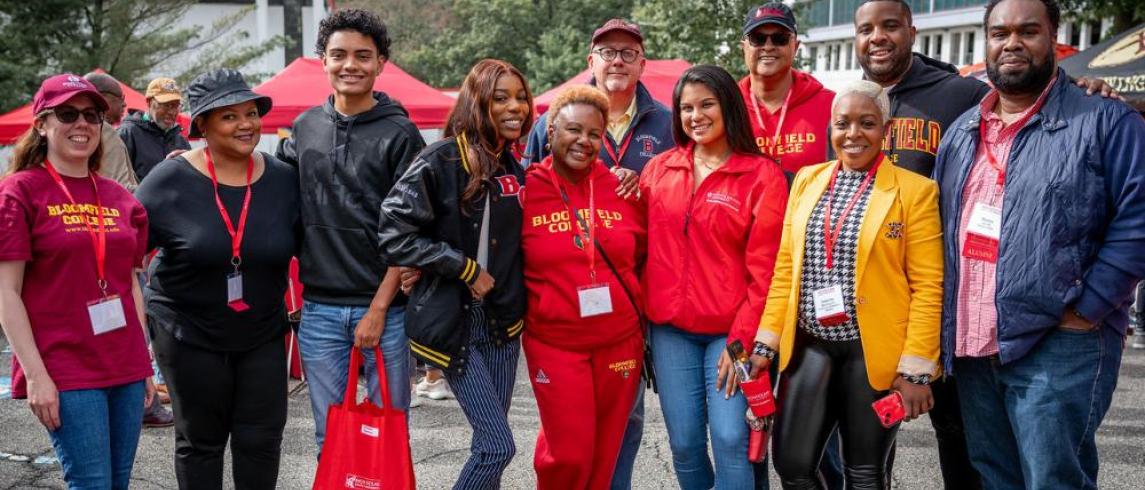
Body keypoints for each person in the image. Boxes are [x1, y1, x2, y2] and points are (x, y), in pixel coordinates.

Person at [933, 0, 1145, 487]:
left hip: (1059, 340)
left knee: (1053, 479)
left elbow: (1137, 221)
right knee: (994, 477)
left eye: (1028, 31)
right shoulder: (962, 133)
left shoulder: (1105, 121)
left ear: (1054, 38)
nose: (1011, 43)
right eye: (999, 32)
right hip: (973, 345)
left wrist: (1088, 308)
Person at [752, 80, 943, 488]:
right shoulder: (807, 179)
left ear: (886, 130)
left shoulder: (916, 192)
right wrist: (766, 342)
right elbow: (786, 266)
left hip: (873, 352)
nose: (853, 134)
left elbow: (928, 286)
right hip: (811, 343)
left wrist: (916, 371)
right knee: (792, 464)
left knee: (864, 471)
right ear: (831, 129)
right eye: (843, 124)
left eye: (867, 123)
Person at [521, 19, 673, 489]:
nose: (583, 142)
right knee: (567, 451)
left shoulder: (626, 182)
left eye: (593, 134)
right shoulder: (529, 189)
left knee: (611, 445)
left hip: (621, 334)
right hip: (556, 338)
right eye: (572, 131)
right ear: (550, 133)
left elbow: (650, 245)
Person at [136, 69, 299, 489]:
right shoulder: (169, 180)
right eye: (229, 117)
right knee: (201, 442)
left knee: (261, 439)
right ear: (203, 126)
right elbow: (124, 255)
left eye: (250, 113)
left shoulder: (283, 179)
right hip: (188, 332)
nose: (245, 125)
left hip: (261, 330)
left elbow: (312, 244)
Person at [275, 8, 424, 454]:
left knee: (388, 435)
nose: (350, 65)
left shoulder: (401, 134)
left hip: (388, 309)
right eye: (339, 55)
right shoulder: (304, 127)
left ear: (381, 63)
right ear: (323, 60)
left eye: (363, 55)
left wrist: (378, 309)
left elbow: (411, 228)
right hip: (319, 309)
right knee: (330, 437)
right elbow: (270, 186)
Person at [379, 59, 532, 489]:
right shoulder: (439, 158)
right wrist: (463, 268)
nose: (515, 106)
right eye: (501, 97)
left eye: (520, 97)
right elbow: (393, 235)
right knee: (498, 446)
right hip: (452, 321)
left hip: (503, 323)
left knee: (489, 448)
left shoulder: (511, 165)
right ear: (476, 101)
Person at [0, 74, 155, 489]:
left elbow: (129, 283)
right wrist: (35, 375)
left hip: (124, 363)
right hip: (65, 366)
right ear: (41, 124)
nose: (81, 124)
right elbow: (6, 292)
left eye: (91, 115)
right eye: (67, 114)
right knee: (91, 483)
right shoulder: (19, 193)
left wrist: (144, 362)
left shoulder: (120, 198)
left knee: (117, 484)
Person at [639, 64, 787, 490]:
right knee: (684, 443)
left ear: (729, 107)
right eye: (686, 108)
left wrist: (741, 340)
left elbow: (767, 272)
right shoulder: (660, 169)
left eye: (706, 104)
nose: (695, 115)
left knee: (730, 436)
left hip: (731, 334)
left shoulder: (761, 175)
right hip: (670, 331)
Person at [523, 18, 673, 173]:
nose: (617, 61)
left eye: (628, 53)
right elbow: (526, 187)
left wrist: (642, 187)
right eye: (607, 52)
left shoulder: (669, 124)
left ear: (641, 66)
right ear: (591, 63)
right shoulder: (550, 123)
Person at [738, 3, 834, 175]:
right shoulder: (727, 106)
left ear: (795, 47)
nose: (768, 46)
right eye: (757, 38)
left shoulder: (832, 105)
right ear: (744, 47)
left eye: (780, 38)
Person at [118, 77, 191, 182]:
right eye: (166, 105)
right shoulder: (127, 133)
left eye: (175, 106)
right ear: (148, 102)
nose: (172, 112)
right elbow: (118, 182)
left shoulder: (181, 140)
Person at [83, 72, 138, 191]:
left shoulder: (75, 131)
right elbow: (120, 188)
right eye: (120, 98)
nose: (124, 104)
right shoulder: (103, 131)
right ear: (102, 98)